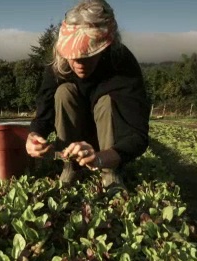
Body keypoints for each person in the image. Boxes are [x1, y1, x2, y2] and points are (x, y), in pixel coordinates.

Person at [25, 0, 150, 189]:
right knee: (64, 92)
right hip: (73, 143)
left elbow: (137, 135)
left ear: (107, 45)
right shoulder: (60, 64)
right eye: (72, 55)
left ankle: (111, 173)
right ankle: (71, 167)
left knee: (107, 101)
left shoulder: (123, 65)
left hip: (108, 145)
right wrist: (33, 137)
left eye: (88, 54)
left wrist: (101, 158)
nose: (78, 62)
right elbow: (44, 113)